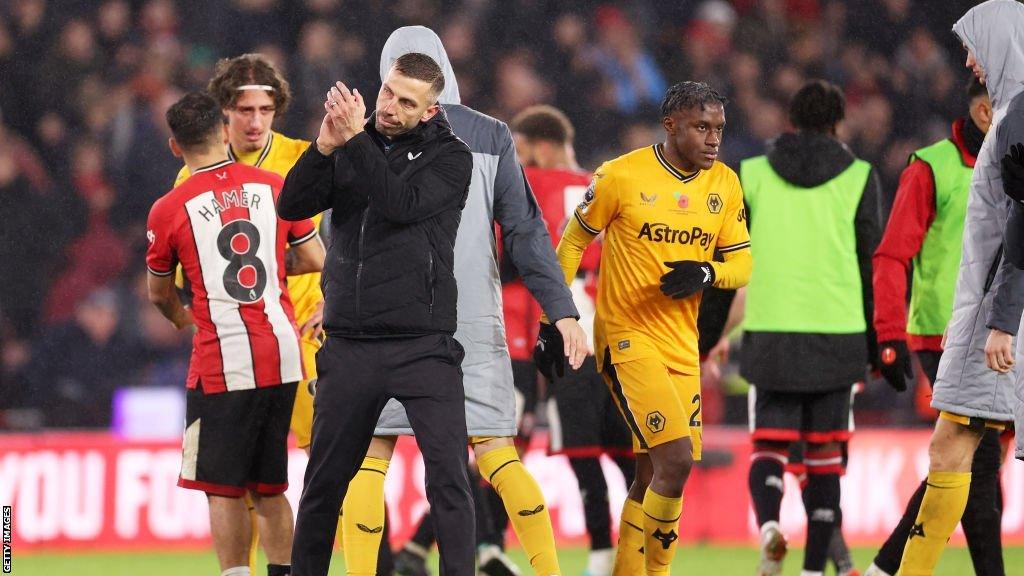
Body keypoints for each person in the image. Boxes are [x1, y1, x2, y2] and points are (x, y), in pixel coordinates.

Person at [338, 27, 587, 576]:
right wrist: (562, 309)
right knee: (498, 455)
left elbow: (344, 238)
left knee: (369, 459)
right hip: (471, 324)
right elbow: (527, 232)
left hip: (385, 321)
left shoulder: (365, 136)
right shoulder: (492, 135)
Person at [170, 54, 390, 574]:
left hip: (313, 332)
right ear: (223, 113)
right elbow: (191, 271)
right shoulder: (191, 174)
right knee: (244, 479)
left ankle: (378, 567)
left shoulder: (305, 157)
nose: (254, 121)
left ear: (276, 110)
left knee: (343, 464)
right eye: (243, 109)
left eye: (265, 109)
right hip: (242, 344)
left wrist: (340, 300)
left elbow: (360, 226)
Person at [279, 52, 479, 576]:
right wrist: (324, 146)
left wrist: (353, 142)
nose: (389, 107)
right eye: (388, 92)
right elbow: (291, 206)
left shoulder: (452, 159)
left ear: (431, 112)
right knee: (323, 484)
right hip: (350, 343)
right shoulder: (348, 144)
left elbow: (401, 204)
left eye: (406, 102)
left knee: (450, 482)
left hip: (424, 345)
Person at [550, 80, 752, 575]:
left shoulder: (724, 183)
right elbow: (572, 242)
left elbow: (742, 265)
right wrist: (554, 315)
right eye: (702, 127)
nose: (713, 139)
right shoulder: (620, 176)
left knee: (649, 473)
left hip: (682, 345)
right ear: (671, 125)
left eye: (719, 129)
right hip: (625, 336)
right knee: (677, 462)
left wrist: (707, 272)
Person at [146, 92, 325, 576]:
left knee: (222, 486)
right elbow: (315, 260)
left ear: (174, 147)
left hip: (223, 363)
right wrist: (271, 270)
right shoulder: (274, 186)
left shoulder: (169, 208)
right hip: (284, 354)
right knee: (269, 485)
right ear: (224, 132)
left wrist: (182, 318)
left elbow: (159, 293)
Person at [896, 2, 1024, 573]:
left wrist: (1000, 320)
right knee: (959, 443)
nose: (969, 61)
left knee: (951, 444)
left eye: (974, 46)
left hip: (1000, 319)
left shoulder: (1016, 117)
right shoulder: (1014, 113)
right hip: (993, 312)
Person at [739, 79, 882, 576]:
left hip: (771, 327)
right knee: (824, 457)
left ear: (789, 121)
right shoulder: (860, 176)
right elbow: (871, 266)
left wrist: (707, 336)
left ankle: (769, 526)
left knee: (768, 446)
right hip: (838, 334)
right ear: (837, 123)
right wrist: (880, 344)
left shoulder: (752, 174)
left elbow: (727, 262)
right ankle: (812, 570)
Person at [866, 78, 1004, 576]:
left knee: (959, 469)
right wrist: (888, 334)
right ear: (986, 113)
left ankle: (884, 568)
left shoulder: (1013, 166)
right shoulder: (931, 168)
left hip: (1002, 340)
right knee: (981, 469)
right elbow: (891, 256)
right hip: (944, 337)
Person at [512, 104, 636, 576]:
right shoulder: (607, 182)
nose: (521, 163)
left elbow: (521, 249)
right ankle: (639, 545)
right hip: (619, 325)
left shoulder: (532, 186)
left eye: (524, 153)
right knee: (627, 453)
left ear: (541, 148)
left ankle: (603, 553)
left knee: (582, 451)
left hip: (569, 326)